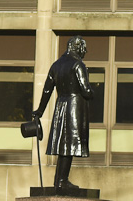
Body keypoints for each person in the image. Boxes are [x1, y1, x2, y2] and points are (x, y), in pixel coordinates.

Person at [32, 36, 94, 190]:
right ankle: (61, 180)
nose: (85, 52)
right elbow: (86, 91)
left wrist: (40, 110)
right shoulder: (78, 65)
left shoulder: (56, 65)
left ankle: (60, 179)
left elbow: (47, 90)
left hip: (61, 106)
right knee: (69, 144)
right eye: (83, 48)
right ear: (77, 47)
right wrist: (94, 92)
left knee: (63, 145)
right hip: (74, 107)